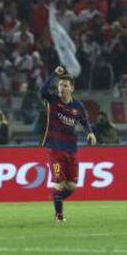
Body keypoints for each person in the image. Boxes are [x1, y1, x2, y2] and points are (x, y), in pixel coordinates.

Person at [40, 66, 97, 222]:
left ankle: (55, 197)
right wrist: (53, 74)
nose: (61, 88)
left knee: (72, 186)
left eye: (65, 86)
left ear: (71, 88)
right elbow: (42, 91)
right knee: (59, 183)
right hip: (55, 150)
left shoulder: (77, 106)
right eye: (60, 85)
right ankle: (59, 216)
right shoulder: (53, 101)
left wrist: (90, 132)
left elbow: (85, 122)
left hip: (71, 150)